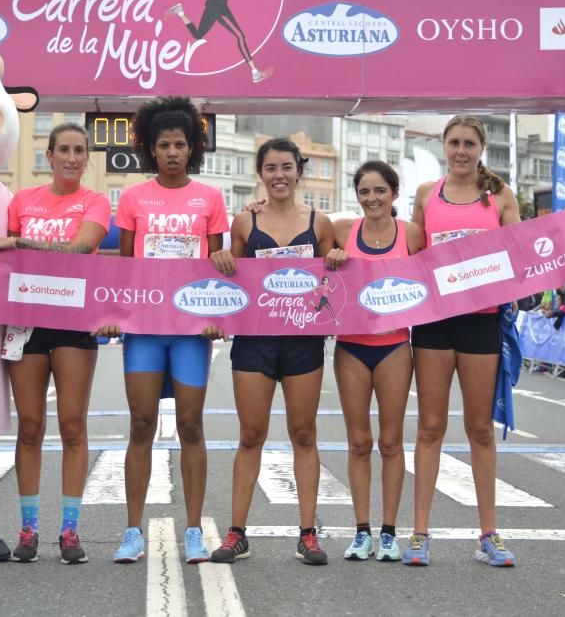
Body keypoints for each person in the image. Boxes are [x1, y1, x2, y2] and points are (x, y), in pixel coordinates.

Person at [0, 122, 110, 565]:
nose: (72, 158)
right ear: (49, 156)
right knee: (30, 426)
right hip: (26, 322)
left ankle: (70, 531)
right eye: (64, 150)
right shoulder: (22, 200)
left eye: (80, 151)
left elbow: (79, 251)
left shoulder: (95, 202)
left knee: (73, 425)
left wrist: (18, 241)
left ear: (86, 158)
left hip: (74, 322)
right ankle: (29, 528)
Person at [112, 96, 229, 565]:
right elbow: (122, 271)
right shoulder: (133, 198)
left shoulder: (211, 198)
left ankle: (195, 530)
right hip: (143, 330)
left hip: (189, 334)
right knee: (140, 425)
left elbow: (217, 267)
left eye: (181, 144)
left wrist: (216, 316)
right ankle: (133, 531)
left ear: (193, 148)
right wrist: (118, 318)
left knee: (190, 427)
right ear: (152, 150)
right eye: (164, 145)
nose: (173, 152)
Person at [208, 138, 336, 566]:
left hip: (303, 343)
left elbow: (332, 282)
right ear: (259, 174)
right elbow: (231, 278)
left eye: (286, 167)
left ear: (299, 171)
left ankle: (308, 534)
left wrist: (336, 257)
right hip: (255, 343)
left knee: (304, 434)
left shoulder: (320, 223)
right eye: (270, 168)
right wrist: (223, 257)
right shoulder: (244, 222)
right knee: (251, 436)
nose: (279, 175)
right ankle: (237, 533)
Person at [405, 115, 523, 567]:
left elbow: (524, 250)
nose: (460, 151)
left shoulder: (500, 196)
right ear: (443, 145)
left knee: (479, 430)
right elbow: (410, 252)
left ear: (481, 148)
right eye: (453, 142)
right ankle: (419, 534)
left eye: (468, 143)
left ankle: (489, 534)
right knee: (430, 427)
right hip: (434, 323)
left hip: (480, 324)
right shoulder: (426, 195)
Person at [328, 161, 425, 562]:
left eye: (380, 191)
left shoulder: (413, 234)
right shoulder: (341, 231)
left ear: (395, 194)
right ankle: (362, 531)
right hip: (350, 345)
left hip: (395, 345)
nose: (372, 199)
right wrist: (332, 256)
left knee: (389, 441)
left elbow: (438, 276)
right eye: (364, 192)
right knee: (358, 442)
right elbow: (305, 250)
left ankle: (389, 532)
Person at [167, 0, 272, 83]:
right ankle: (255, 72)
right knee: (240, 36)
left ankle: (180, 11)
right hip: (215, 2)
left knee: (198, 35)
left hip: (221, 2)